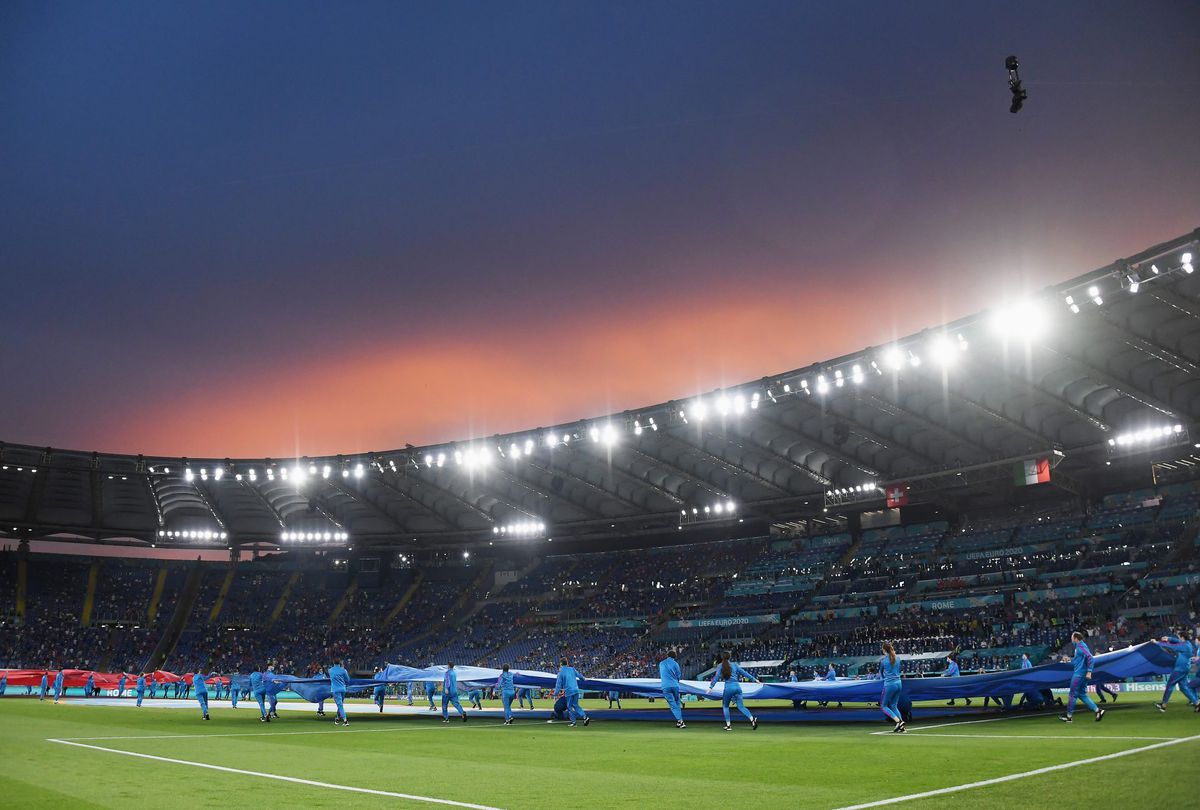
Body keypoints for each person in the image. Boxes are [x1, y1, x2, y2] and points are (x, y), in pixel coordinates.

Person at [1060, 631, 1104, 723]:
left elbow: (1090, 657)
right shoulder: (1079, 648)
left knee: (1072, 694)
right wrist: (1069, 659)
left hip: (1079, 675)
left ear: (1076, 639)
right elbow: (1077, 661)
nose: (1071, 640)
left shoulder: (1080, 647)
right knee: (1081, 694)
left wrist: (1089, 671)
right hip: (1082, 674)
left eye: (1072, 638)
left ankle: (1069, 716)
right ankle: (1097, 711)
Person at [707, 652, 758, 731]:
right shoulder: (734, 665)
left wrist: (711, 687)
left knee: (725, 706)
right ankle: (752, 719)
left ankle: (728, 725)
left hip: (728, 688)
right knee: (741, 707)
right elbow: (744, 673)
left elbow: (716, 677)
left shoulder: (720, 666)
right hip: (737, 687)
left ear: (722, 658)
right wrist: (754, 679)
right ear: (729, 657)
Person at [1154, 634, 1199, 712]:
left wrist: (1157, 643)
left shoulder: (1184, 646)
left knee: (1169, 685)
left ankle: (1163, 705)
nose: (1178, 639)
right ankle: (1197, 702)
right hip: (1185, 668)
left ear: (1182, 637)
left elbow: (1172, 646)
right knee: (1183, 687)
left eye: (1179, 637)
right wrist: (1169, 638)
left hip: (1180, 669)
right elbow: (1178, 641)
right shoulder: (1187, 643)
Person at [554, 657, 589, 727]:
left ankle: (574, 722)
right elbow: (579, 676)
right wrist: (584, 679)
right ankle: (585, 716)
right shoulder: (572, 669)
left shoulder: (560, 673)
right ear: (567, 663)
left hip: (569, 691)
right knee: (575, 705)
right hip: (576, 689)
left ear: (560, 664)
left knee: (569, 706)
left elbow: (558, 685)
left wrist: (555, 694)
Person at [878, 642, 906, 733]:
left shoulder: (883, 661)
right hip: (899, 683)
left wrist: (883, 678)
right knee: (894, 705)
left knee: (883, 706)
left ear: (884, 650)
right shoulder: (897, 658)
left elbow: (881, 674)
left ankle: (898, 721)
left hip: (889, 684)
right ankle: (902, 727)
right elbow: (898, 670)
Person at [659, 649, 686, 728]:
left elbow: (663, 673)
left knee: (672, 704)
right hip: (675, 685)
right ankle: (679, 721)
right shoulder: (675, 664)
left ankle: (681, 721)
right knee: (677, 702)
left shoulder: (661, 663)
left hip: (666, 686)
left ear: (667, 656)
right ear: (675, 657)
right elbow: (678, 675)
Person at [328, 658, 351, 726]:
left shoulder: (330, 670)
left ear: (333, 663)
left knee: (340, 705)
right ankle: (337, 718)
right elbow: (348, 679)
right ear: (340, 663)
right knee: (340, 705)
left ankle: (345, 721)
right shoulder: (343, 670)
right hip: (343, 689)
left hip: (335, 689)